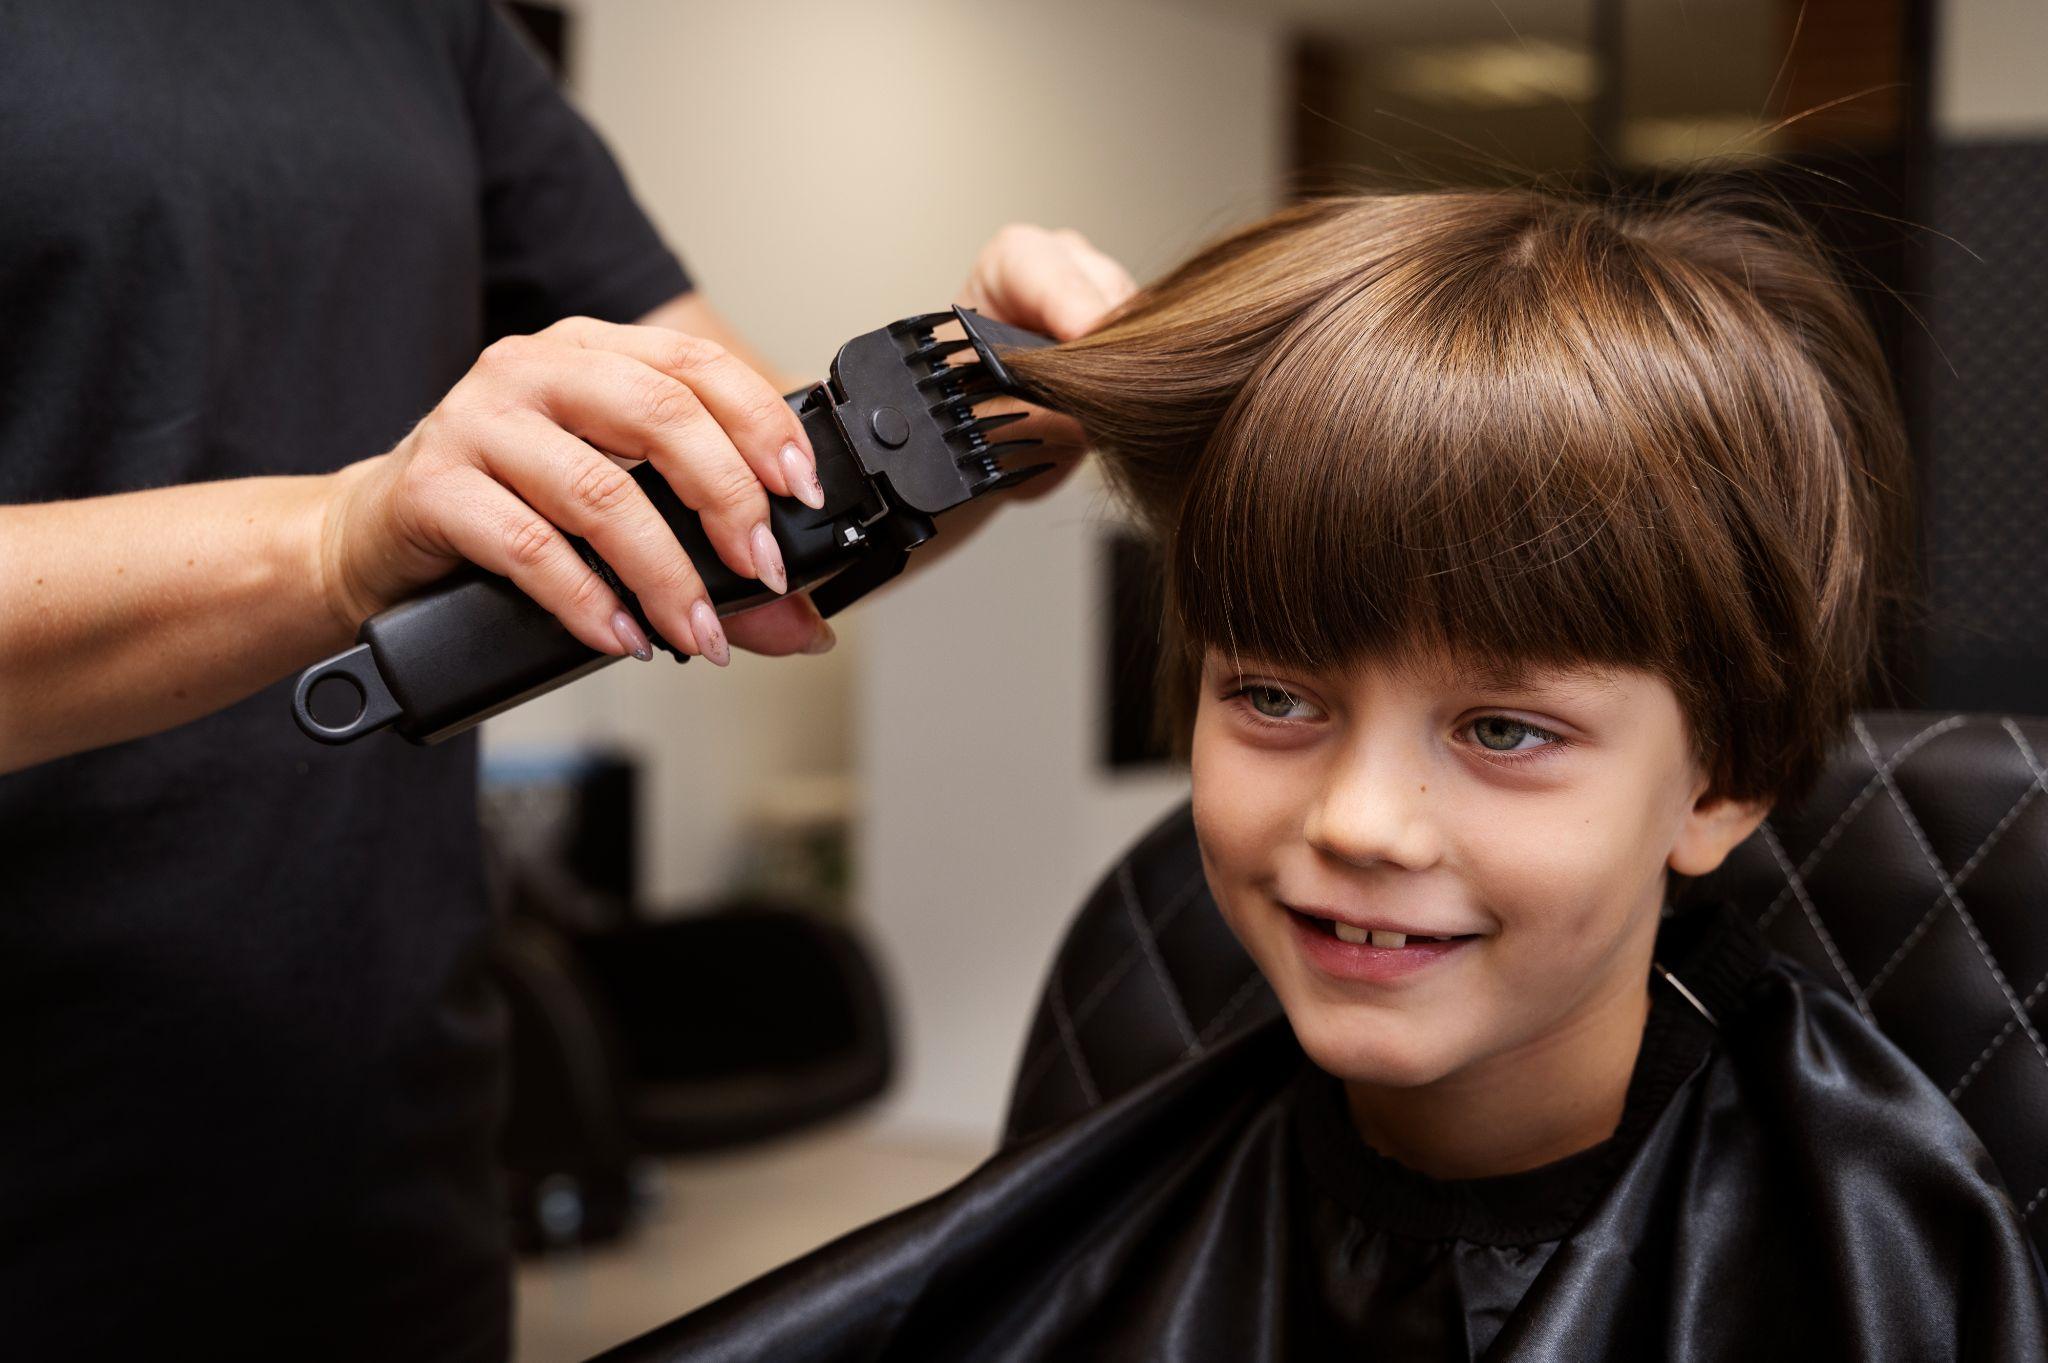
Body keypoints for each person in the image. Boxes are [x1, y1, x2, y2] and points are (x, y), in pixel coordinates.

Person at [597, 186, 2048, 1360]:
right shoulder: (1135, 1095)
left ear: (1721, 780)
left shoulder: (1880, 1253)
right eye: (1275, 695)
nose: (1356, 823)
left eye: (1503, 731)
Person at [0, 4, 1130, 1360]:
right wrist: (334, 540)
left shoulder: (426, 29)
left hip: (381, 1165)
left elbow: (742, 482)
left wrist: (995, 399)